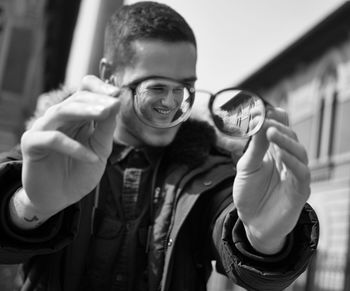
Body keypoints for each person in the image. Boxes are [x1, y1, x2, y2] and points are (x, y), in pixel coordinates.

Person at [0, 2, 318, 291]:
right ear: (110, 76)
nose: (173, 103)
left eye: (186, 87)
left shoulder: (211, 167)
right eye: (157, 87)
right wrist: (30, 206)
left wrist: (264, 239)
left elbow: (239, 241)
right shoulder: (54, 147)